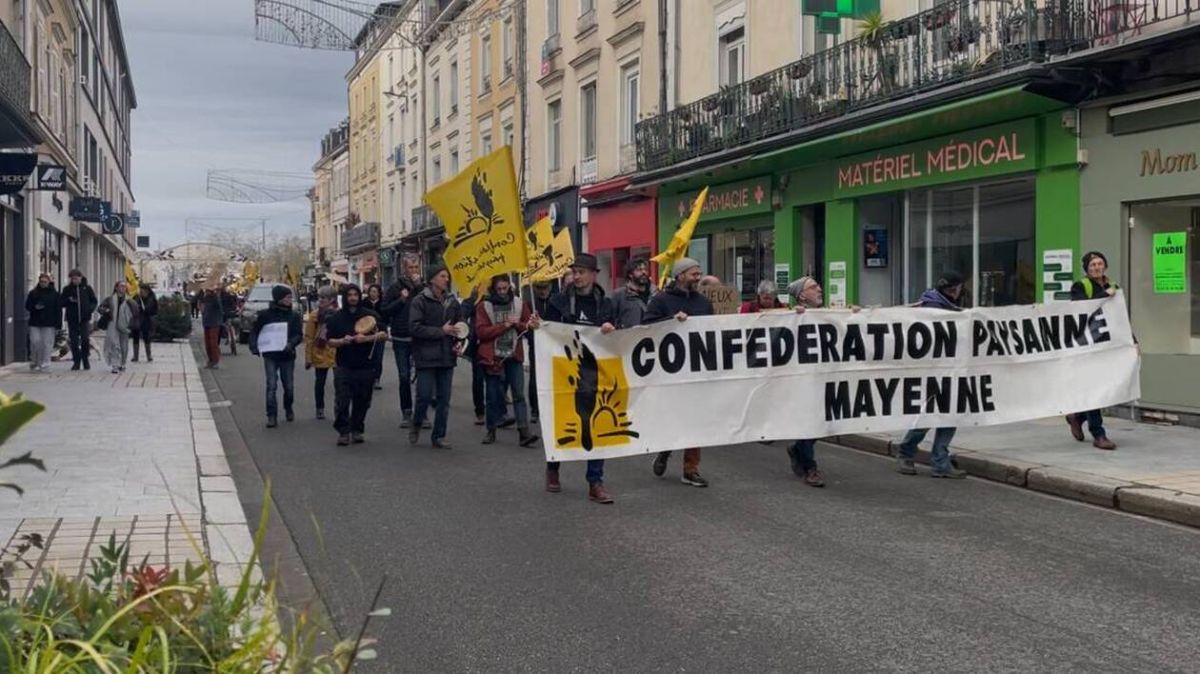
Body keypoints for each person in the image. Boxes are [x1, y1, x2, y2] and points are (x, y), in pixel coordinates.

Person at [541, 253, 618, 504]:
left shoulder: (605, 303)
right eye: (574, 272)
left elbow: (617, 336)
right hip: (564, 368)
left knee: (596, 425)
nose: (577, 276)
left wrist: (610, 329)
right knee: (561, 419)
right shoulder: (559, 301)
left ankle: (595, 481)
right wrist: (538, 327)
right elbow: (547, 332)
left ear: (594, 274)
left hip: (594, 371)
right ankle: (553, 467)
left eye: (582, 272)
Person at [644, 258, 714, 488]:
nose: (698, 277)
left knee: (695, 419)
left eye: (699, 273)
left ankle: (690, 469)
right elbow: (646, 328)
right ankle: (665, 449)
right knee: (672, 417)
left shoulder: (704, 302)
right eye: (694, 273)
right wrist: (670, 322)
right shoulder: (660, 301)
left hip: (696, 371)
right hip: (669, 372)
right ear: (680, 275)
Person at [895, 272, 969, 478]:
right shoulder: (933, 309)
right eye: (956, 288)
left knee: (950, 414)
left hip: (952, 369)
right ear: (951, 289)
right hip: (932, 371)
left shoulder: (947, 306)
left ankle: (939, 460)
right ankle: (908, 452)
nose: (958, 292)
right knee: (930, 415)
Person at [475, 274, 540, 447]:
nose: (503, 292)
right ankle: (491, 430)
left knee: (519, 394)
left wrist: (519, 323)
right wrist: (502, 326)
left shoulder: (519, 304)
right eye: (499, 289)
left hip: (513, 356)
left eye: (505, 289)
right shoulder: (484, 306)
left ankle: (524, 432)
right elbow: (481, 332)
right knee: (493, 396)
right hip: (493, 357)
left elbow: (528, 327)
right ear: (493, 290)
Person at [1066, 251, 1119, 450]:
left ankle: (1077, 417)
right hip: (1087, 344)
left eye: (1100, 264)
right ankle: (1099, 434)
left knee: (1106, 388)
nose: (1097, 267)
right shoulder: (1080, 286)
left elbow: (1119, 317)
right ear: (1087, 269)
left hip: (1107, 345)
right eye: (1092, 265)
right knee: (1094, 388)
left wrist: (1133, 340)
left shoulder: (1114, 286)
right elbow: (1081, 308)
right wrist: (1105, 295)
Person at [324, 284, 388, 445]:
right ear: (345, 297)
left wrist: (365, 339)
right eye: (349, 295)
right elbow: (329, 341)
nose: (353, 298)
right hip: (344, 364)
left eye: (355, 295)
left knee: (363, 400)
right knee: (342, 400)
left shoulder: (369, 315)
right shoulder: (337, 318)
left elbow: (383, 334)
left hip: (366, 365)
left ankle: (357, 429)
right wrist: (342, 341)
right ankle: (343, 431)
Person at [784, 276, 830, 487]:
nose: (820, 289)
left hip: (825, 378)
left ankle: (798, 449)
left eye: (818, 286)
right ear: (802, 296)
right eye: (814, 287)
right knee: (809, 423)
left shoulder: (828, 314)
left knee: (821, 424)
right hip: (801, 380)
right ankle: (810, 468)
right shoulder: (789, 318)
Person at [408, 266, 462, 449]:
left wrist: (460, 342)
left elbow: (460, 326)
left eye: (447, 276)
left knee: (444, 399)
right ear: (432, 279)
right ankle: (416, 423)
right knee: (423, 396)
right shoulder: (420, 301)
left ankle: (438, 435)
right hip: (426, 355)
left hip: (447, 355)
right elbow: (414, 328)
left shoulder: (452, 302)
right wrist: (441, 331)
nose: (446, 279)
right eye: (442, 276)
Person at [249, 285, 303, 428]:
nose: (290, 300)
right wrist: (254, 346)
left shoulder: (294, 316)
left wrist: (291, 344)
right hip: (271, 355)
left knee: (289, 386)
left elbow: (298, 335)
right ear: (279, 298)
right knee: (271, 385)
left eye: (290, 297)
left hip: (287, 355)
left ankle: (288, 407)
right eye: (287, 297)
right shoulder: (265, 315)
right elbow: (255, 331)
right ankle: (271, 415)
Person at [382, 254, 422, 427]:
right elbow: (385, 310)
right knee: (404, 376)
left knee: (423, 376)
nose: (413, 271)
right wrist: (401, 300)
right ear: (404, 269)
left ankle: (422, 414)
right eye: (410, 268)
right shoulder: (394, 287)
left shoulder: (423, 287)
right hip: (401, 337)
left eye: (416, 267)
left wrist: (420, 287)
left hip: (420, 337)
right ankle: (407, 412)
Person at [304, 286, 338, 420]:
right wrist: (308, 358)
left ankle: (338, 406)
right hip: (319, 352)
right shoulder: (314, 316)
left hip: (335, 352)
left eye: (323, 298)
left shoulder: (338, 313)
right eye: (320, 298)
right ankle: (320, 408)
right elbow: (309, 338)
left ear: (332, 300)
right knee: (320, 382)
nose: (320, 300)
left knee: (339, 383)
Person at [459, 288, 491, 426]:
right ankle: (480, 411)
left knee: (496, 378)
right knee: (478, 378)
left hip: (495, 340)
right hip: (478, 342)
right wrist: (466, 332)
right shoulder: (474, 294)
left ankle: (497, 410)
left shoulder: (496, 292)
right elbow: (462, 314)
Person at [526, 280, 556, 424]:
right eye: (539, 288)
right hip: (536, 345)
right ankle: (535, 409)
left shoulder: (556, 301)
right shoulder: (530, 303)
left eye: (545, 288)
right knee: (535, 378)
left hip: (553, 345)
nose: (542, 291)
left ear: (550, 287)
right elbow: (525, 326)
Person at [25, 273, 62, 371]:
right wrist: (35, 307)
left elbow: (58, 310)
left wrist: (58, 325)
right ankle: (35, 361)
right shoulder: (33, 293)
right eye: (41, 281)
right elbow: (27, 306)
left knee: (47, 343)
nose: (43, 283)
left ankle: (45, 363)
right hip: (35, 322)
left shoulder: (55, 294)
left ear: (49, 282)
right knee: (35, 341)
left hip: (49, 322)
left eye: (45, 282)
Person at [62, 269, 97, 370]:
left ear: (80, 278)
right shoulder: (67, 289)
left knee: (85, 339)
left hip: (84, 319)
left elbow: (94, 301)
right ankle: (76, 361)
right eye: (73, 279)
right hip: (72, 319)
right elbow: (61, 302)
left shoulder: (87, 288)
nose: (75, 280)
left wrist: (89, 309)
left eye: (76, 278)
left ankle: (85, 359)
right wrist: (69, 300)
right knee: (73, 341)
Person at [98, 281, 135, 374]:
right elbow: (100, 308)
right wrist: (106, 311)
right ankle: (115, 365)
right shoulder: (110, 299)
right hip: (113, 323)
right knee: (114, 344)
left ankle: (123, 363)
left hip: (124, 325)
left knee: (123, 345)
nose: (123, 288)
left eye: (124, 286)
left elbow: (135, 312)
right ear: (116, 288)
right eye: (121, 286)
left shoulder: (129, 300)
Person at [611, 258, 652, 329]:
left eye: (645, 269)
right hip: (629, 337)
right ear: (630, 274)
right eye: (639, 270)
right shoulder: (619, 295)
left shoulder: (655, 294)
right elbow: (611, 320)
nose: (643, 272)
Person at [364, 283, 386, 390]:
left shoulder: (383, 304)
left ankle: (377, 378)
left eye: (375, 292)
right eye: (371, 291)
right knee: (368, 356)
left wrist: (381, 327)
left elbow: (386, 319)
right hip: (367, 333)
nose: (373, 294)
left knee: (378, 357)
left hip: (380, 333)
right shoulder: (364, 303)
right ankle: (368, 378)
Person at [131, 286, 159, 363]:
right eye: (141, 290)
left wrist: (147, 310)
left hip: (147, 320)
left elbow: (155, 309)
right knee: (135, 337)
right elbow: (131, 306)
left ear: (148, 291)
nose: (142, 292)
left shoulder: (151, 298)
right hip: (137, 320)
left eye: (144, 290)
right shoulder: (136, 297)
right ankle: (135, 356)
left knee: (147, 337)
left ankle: (149, 355)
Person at [201, 288, 224, 369]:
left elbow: (219, 307)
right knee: (207, 344)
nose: (206, 292)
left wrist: (214, 294)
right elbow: (195, 299)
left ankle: (215, 361)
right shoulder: (205, 298)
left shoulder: (215, 298)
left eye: (207, 291)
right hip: (206, 322)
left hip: (214, 323)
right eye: (206, 290)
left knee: (213, 343)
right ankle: (210, 360)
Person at [220, 287, 239, 355]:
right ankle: (235, 336)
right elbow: (235, 305)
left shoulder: (221, 297)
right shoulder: (231, 296)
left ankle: (228, 338)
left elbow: (220, 307)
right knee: (234, 326)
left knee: (224, 327)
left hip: (225, 315)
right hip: (232, 314)